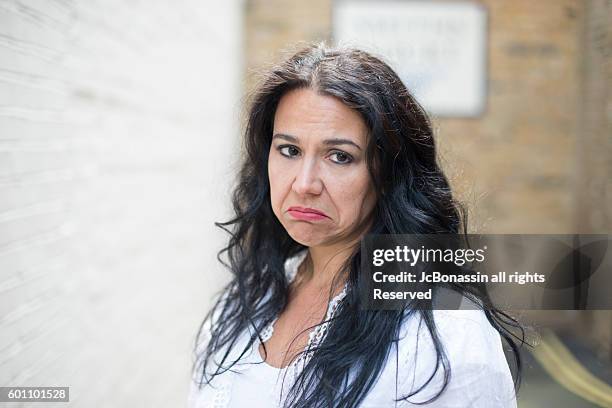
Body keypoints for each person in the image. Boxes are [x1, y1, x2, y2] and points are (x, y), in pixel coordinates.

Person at [188, 42, 522, 407]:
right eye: (289, 150)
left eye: (339, 156)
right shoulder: (244, 301)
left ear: (388, 174)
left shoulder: (446, 332)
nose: (304, 184)